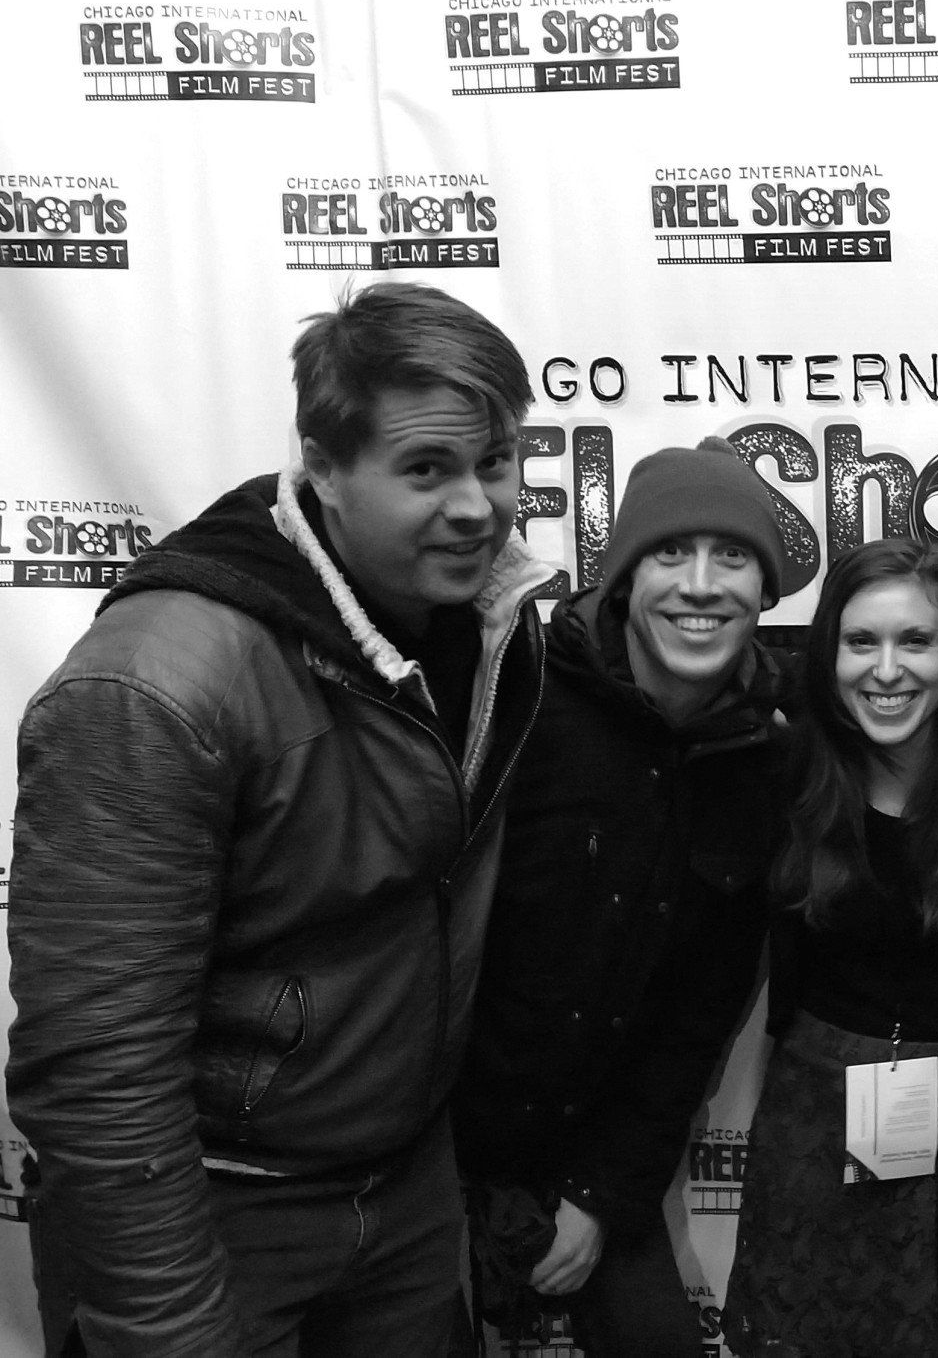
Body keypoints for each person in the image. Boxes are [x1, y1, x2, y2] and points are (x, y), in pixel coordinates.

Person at [7, 282, 549, 1356]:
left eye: (494, 462)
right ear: (325, 467)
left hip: (402, 1194)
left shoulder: (484, 625)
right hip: (209, 1214)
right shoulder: (157, 682)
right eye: (426, 469)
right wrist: (168, 1324)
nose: (477, 506)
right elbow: (98, 1060)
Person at [452, 437, 792, 1355]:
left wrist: (598, 1195)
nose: (700, 584)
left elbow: (696, 1017)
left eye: (732, 558)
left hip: (588, 1156)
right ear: (622, 577)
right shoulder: (516, 688)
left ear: (766, 590)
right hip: (429, 1144)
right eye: (669, 554)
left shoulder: (765, 760)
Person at [723, 539, 938, 1358]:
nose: (887, 670)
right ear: (828, 653)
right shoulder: (787, 773)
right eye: (862, 642)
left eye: (915, 641)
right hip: (812, 1120)